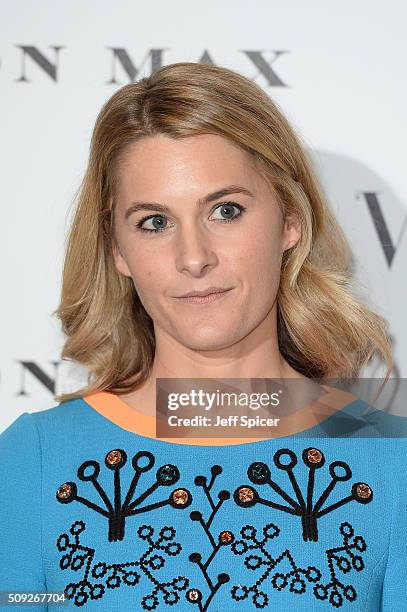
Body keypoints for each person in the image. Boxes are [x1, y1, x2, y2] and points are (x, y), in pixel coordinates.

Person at [0, 62, 405, 611]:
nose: (194, 258)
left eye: (226, 210)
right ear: (117, 249)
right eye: (154, 222)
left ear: (291, 220)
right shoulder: (33, 462)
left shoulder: (391, 464)